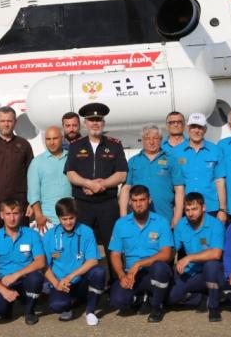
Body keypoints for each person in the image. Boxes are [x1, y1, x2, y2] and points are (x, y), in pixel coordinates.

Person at [64, 103, 128, 263]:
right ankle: (82, 278)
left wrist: (102, 185)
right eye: (91, 120)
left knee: (113, 247)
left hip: (108, 205)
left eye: (98, 120)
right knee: (80, 247)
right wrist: (88, 183)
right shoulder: (75, 145)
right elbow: (70, 173)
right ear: (85, 123)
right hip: (82, 205)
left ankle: (116, 278)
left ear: (103, 123)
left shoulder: (115, 145)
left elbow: (122, 174)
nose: (95, 123)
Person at [107, 185, 173, 323]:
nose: (138, 204)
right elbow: (115, 254)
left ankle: (156, 307)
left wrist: (139, 263)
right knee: (118, 301)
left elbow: (167, 254)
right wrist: (121, 276)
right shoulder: (121, 224)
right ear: (130, 202)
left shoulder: (161, 222)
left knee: (160, 268)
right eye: (135, 200)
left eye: (142, 200)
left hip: (153, 273)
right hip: (132, 275)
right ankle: (140, 297)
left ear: (149, 200)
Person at [43, 198, 105, 325]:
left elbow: (93, 260)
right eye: (64, 219)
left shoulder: (86, 231)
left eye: (71, 218)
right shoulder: (50, 235)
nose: (68, 222)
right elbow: (44, 266)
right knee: (57, 305)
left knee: (99, 272)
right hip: (60, 283)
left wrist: (70, 276)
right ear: (58, 218)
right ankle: (70, 303)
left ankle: (90, 311)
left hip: (80, 280)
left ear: (76, 215)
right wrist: (56, 283)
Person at [0, 199, 46, 324]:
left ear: (21, 214)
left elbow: (41, 262)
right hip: (5, 282)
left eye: (15, 213)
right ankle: (7, 305)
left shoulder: (32, 234)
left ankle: (29, 311)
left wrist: (16, 275)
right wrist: (3, 291)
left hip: (26, 279)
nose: (12, 218)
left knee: (36, 278)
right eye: (8, 214)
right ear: (2, 215)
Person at [167, 192, 226, 322]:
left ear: (203, 208)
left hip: (213, 273)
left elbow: (216, 253)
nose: (190, 213)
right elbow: (173, 249)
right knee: (170, 297)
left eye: (194, 209)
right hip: (192, 273)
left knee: (211, 266)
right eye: (187, 210)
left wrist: (188, 258)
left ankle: (214, 307)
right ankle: (200, 297)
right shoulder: (181, 225)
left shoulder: (216, 225)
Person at [119, 124, 184, 226]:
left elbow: (179, 189)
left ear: (161, 139)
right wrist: (123, 217)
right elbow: (125, 189)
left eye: (155, 138)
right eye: (147, 138)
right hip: (137, 219)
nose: (151, 142)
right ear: (142, 140)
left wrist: (177, 217)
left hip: (165, 216)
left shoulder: (171, 160)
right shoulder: (133, 161)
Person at [176, 113, 227, 222]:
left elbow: (220, 181)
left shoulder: (216, 150)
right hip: (187, 208)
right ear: (188, 129)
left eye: (200, 127)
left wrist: (222, 209)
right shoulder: (176, 152)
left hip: (210, 207)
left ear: (205, 129)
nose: (196, 130)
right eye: (193, 127)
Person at [27, 126, 72, 234]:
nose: (51, 142)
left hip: (70, 219)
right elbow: (33, 193)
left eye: (55, 138)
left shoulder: (71, 158)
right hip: (47, 221)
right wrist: (39, 215)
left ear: (62, 138)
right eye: (48, 139)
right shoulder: (37, 162)